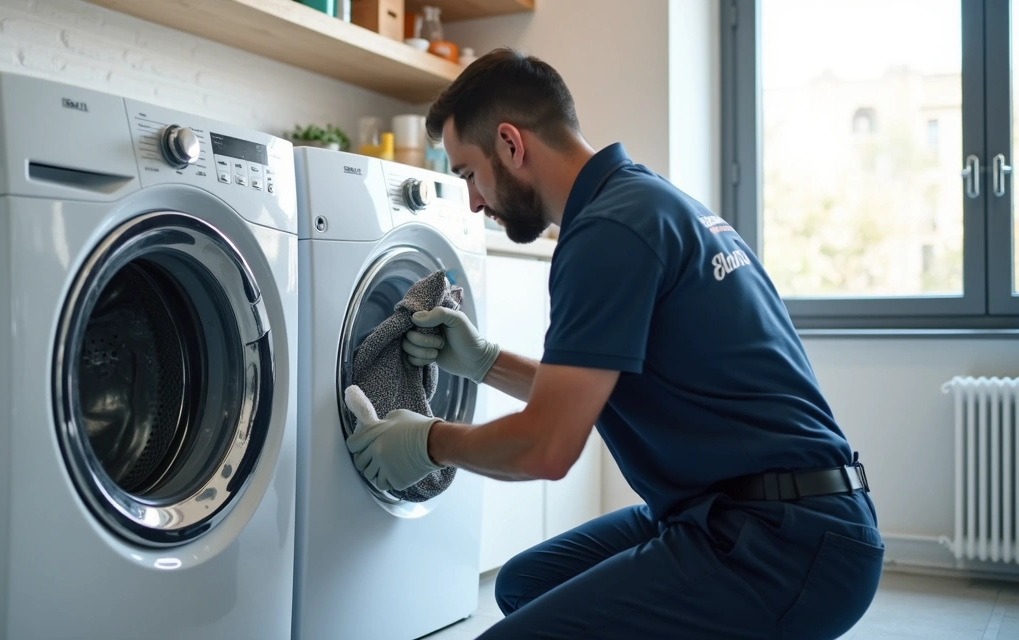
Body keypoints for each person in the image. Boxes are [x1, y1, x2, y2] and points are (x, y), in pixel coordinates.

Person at [342, 47, 884, 639]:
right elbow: (599, 387)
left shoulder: (607, 233)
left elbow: (547, 448)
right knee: (524, 584)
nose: (472, 201)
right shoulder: (642, 201)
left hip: (782, 542)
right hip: (757, 512)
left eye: (469, 173)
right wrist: (486, 362)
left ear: (510, 144)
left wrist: (428, 441)